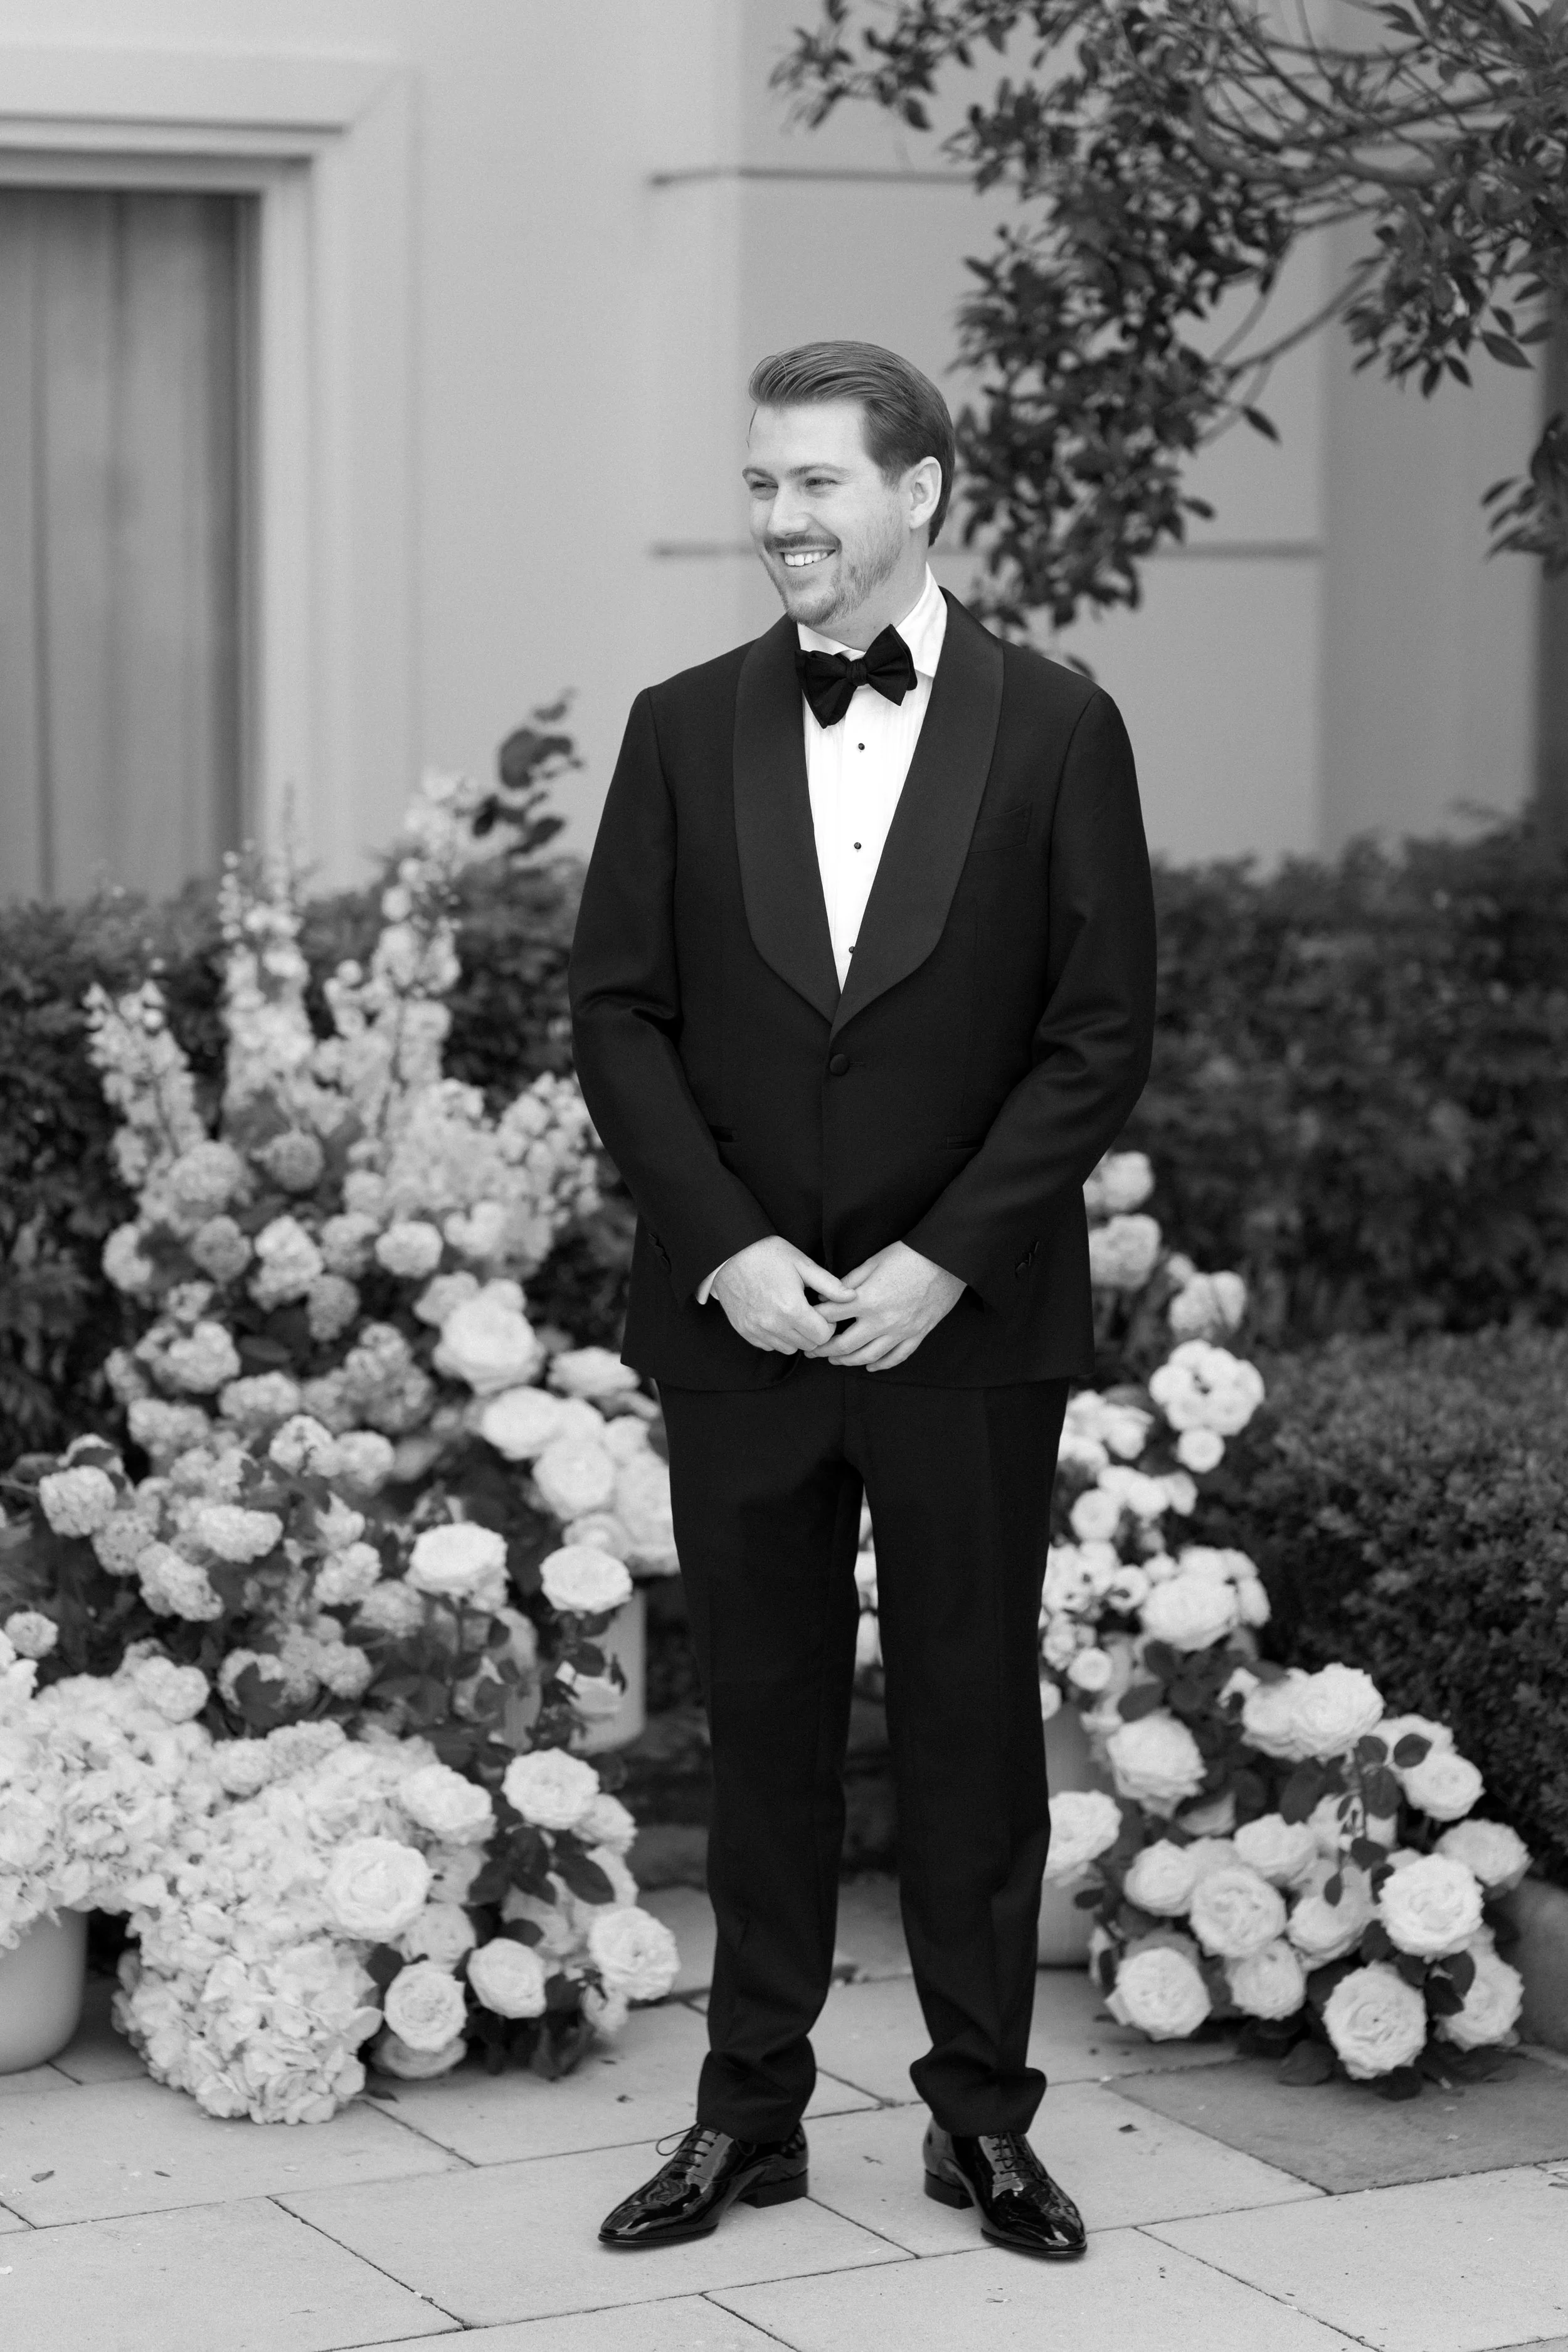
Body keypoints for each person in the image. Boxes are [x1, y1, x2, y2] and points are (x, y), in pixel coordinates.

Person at [569, 340, 1156, 2258]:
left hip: (961, 1323)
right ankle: (748, 2114)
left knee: (976, 1726)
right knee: (763, 1727)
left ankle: (982, 2118)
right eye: (759, 486)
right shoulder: (676, 724)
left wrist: (940, 1260)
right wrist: (729, 1246)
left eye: (812, 483)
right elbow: (618, 1013)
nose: (777, 521)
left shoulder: (1059, 725)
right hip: (736, 1317)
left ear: (919, 491)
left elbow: (1093, 1036)